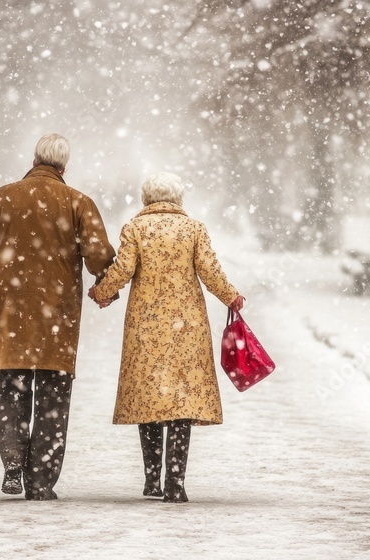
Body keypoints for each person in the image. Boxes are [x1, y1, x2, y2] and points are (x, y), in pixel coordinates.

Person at [0, 133, 116, 501]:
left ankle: (14, 461)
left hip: (11, 311)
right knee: (53, 394)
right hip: (58, 315)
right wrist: (105, 286)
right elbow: (100, 256)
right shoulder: (78, 203)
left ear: (34, 160)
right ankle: (41, 480)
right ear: (64, 167)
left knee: (12, 388)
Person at [89, 172, 244, 503]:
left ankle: (151, 480)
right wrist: (230, 296)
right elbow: (210, 271)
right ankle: (176, 482)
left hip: (146, 325)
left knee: (150, 399)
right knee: (180, 402)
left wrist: (102, 291)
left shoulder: (135, 228)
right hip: (186, 325)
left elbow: (123, 269)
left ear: (146, 198)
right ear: (178, 198)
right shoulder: (193, 229)